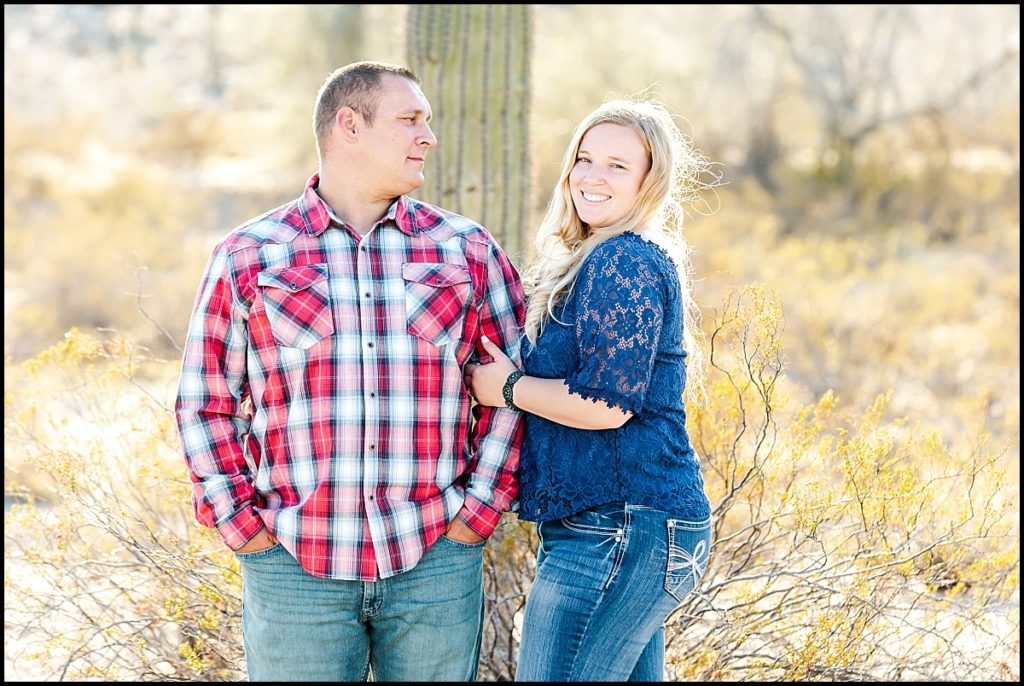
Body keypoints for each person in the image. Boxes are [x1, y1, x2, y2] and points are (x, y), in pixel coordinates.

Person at [175, 61, 526, 682]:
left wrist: (476, 516)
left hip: (434, 560)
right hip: (292, 563)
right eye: (410, 120)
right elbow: (206, 402)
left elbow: (511, 389)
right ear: (349, 126)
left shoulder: (467, 251)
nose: (428, 136)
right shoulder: (249, 255)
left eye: (429, 122)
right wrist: (244, 527)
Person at [464, 98, 715, 681]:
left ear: (651, 183)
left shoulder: (622, 260)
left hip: (620, 530)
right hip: (625, 529)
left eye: (617, 166)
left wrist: (508, 388)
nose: (592, 177)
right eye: (584, 158)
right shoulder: (603, 257)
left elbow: (605, 407)